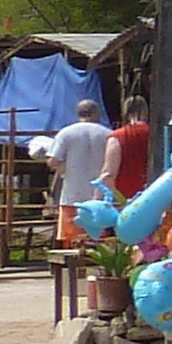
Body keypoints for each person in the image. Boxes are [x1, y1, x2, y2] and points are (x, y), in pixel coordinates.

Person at [45, 102, 118, 243]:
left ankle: (72, 263)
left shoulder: (66, 133)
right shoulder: (108, 134)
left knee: (72, 241)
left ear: (78, 113)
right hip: (99, 198)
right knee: (98, 241)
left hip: (73, 196)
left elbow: (53, 162)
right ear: (96, 113)